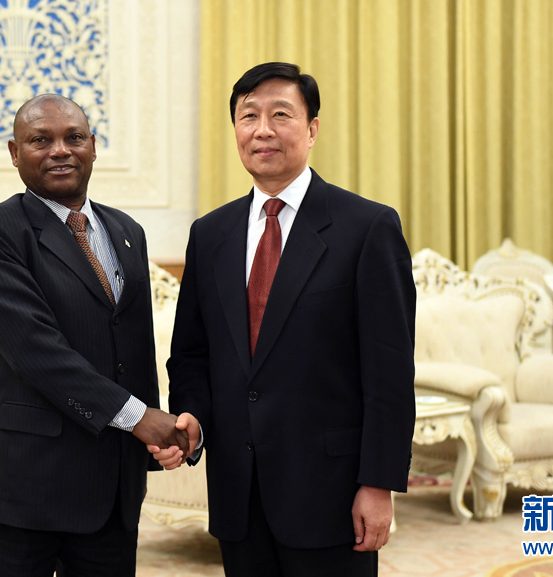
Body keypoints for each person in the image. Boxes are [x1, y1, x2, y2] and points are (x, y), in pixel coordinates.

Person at [152, 62, 416, 576]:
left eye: (280, 115)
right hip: (237, 491)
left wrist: (378, 482)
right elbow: (192, 354)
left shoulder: (366, 227)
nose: (263, 130)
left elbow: (388, 371)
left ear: (312, 129)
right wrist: (193, 418)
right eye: (248, 116)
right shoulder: (211, 235)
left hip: (331, 493)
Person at [0, 93, 189, 577]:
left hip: (113, 486)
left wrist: (155, 442)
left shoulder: (127, 230)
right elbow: (36, 351)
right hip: (26, 485)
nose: (60, 150)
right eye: (40, 140)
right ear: (15, 152)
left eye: (74, 137)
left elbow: (134, 350)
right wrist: (141, 417)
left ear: (94, 147)